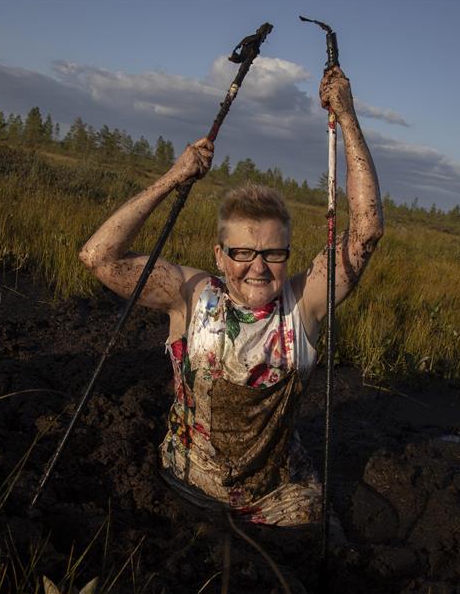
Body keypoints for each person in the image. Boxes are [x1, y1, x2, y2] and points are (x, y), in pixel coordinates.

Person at [79, 67, 383, 526]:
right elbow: (99, 257)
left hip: (278, 502)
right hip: (178, 483)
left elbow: (365, 231)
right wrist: (174, 177)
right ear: (220, 256)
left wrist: (347, 115)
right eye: (243, 252)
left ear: (287, 254)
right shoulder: (191, 296)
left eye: (273, 252)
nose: (258, 267)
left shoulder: (303, 305)